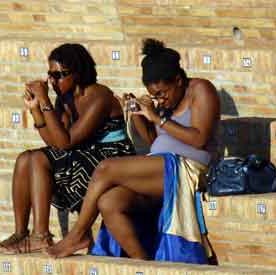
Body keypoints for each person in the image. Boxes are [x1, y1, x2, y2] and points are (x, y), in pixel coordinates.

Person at [47, 38, 220, 263]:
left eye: (162, 92)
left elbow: (200, 138)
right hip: (159, 167)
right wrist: (139, 116)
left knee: (106, 168)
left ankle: (77, 235)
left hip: (190, 170)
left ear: (178, 80)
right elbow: (152, 141)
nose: (160, 99)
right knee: (109, 202)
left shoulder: (201, 89)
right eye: (154, 95)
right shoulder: (165, 102)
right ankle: (142, 262)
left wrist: (157, 117)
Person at [0, 43, 135, 254]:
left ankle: (41, 236)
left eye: (59, 75)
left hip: (112, 156)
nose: (52, 81)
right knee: (26, 158)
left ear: (77, 74)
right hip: (83, 152)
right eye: (50, 75)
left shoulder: (99, 95)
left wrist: (44, 101)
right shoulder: (65, 99)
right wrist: (36, 111)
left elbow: (65, 142)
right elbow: (53, 140)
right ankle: (21, 232)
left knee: (40, 159)